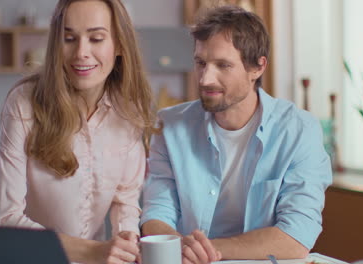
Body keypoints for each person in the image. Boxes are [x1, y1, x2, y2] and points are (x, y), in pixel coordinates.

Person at [141, 5, 332, 264]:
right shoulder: (170, 126)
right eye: (201, 63)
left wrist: (207, 250)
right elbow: (156, 214)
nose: (206, 79)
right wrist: (180, 247)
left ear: (257, 67)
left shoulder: (299, 131)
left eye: (223, 65)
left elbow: (296, 236)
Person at [0, 0, 157, 263]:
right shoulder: (24, 104)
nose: (81, 52)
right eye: (69, 38)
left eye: (96, 38)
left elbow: (125, 200)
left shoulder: (129, 113)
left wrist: (126, 242)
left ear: (120, 45)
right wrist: (91, 251)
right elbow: (4, 218)